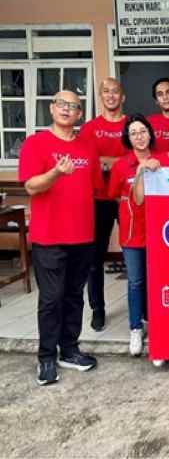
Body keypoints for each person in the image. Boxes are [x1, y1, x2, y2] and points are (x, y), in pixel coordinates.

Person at [19, 90, 102, 385]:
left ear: (80, 114)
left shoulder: (87, 147)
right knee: (51, 299)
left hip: (82, 235)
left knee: (74, 296)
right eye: (62, 104)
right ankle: (46, 357)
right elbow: (31, 186)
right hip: (49, 237)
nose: (67, 109)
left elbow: (94, 188)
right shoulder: (35, 144)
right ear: (52, 108)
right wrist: (55, 172)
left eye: (74, 106)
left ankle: (69, 349)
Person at [78, 77, 128, 332]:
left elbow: (137, 157)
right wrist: (117, 162)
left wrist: (106, 162)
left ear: (122, 96)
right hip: (98, 199)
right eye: (106, 91)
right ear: (100, 96)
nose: (110, 96)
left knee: (137, 255)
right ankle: (97, 309)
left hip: (126, 198)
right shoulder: (89, 129)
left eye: (115, 91)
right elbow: (86, 161)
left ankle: (144, 309)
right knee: (94, 259)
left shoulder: (131, 125)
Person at [107, 114, 156, 356]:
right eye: (134, 133)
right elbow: (113, 194)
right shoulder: (121, 165)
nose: (139, 136)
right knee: (136, 281)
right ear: (128, 138)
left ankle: (153, 322)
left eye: (143, 131)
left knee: (155, 280)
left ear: (150, 134)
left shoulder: (160, 160)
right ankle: (135, 328)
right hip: (132, 233)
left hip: (158, 231)